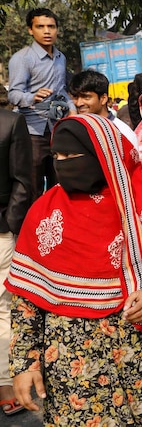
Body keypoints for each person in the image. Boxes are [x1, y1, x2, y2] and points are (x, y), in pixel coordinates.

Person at [6, 114, 142, 425]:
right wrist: (26, 365)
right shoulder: (45, 211)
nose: (62, 163)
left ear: (104, 154)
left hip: (140, 352)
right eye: (57, 156)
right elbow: (26, 299)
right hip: (72, 363)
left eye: (72, 155)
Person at [8, 8, 73, 197]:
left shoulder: (61, 58)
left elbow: (62, 91)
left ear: (57, 29)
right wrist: (32, 97)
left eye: (51, 26)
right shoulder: (22, 58)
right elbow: (13, 95)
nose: (47, 31)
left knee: (59, 182)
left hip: (57, 128)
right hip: (31, 132)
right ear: (30, 30)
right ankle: (32, 224)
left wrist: (73, 110)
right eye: (40, 26)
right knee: (33, 186)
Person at [0, 106, 32, 417]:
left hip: (0, 233)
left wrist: (9, 224)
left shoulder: (11, 121)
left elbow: (24, 181)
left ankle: (5, 385)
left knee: (2, 309)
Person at [69, 70, 139, 148]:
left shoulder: (122, 132)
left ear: (103, 98)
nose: (79, 103)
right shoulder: (73, 130)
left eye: (86, 97)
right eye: (75, 97)